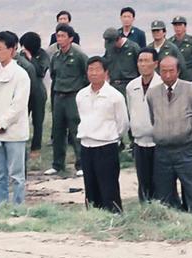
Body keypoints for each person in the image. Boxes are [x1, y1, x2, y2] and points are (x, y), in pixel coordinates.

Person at [147, 55, 192, 216]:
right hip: (162, 151)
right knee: (164, 192)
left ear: (178, 71)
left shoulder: (191, 90)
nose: (167, 75)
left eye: (171, 71)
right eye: (163, 71)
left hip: (185, 149)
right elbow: (154, 118)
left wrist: (190, 134)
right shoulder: (152, 93)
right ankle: (173, 222)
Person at [0, 31, 31, 206]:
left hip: (14, 131)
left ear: (12, 50)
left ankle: (18, 206)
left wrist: (2, 123)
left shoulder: (21, 75)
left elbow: (18, 105)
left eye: (1, 49)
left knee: (16, 174)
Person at [76, 57, 128, 213]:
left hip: (106, 146)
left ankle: (114, 216)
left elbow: (123, 123)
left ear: (106, 73)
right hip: (86, 145)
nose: (93, 73)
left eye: (97, 69)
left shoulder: (115, 96)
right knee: (90, 186)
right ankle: (93, 216)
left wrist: (112, 136)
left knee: (108, 187)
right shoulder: (81, 95)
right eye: (90, 69)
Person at [47, 24, 88, 176]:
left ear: (70, 38)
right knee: (57, 131)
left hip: (73, 96)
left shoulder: (78, 56)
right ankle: (57, 165)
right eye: (58, 36)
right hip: (59, 96)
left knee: (76, 130)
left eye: (63, 36)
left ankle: (81, 165)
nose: (60, 39)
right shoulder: (56, 57)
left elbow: (86, 74)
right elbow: (53, 75)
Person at [126, 48, 160, 202]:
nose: (143, 64)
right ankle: (144, 208)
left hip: (158, 141)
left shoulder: (161, 85)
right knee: (143, 179)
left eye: (147, 61)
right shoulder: (131, 86)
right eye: (140, 61)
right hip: (139, 141)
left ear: (155, 63)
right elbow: (130, 109)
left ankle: (161, 207)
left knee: (159, 179)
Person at [19, 31, 49, 154]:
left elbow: (41, 71)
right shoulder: (21, 55)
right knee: (21, 118)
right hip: (24, 91)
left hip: (38, 91)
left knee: (38, 120)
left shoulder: (42, 55)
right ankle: (21, 142)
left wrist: (30, 58)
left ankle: (36, 147)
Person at [102, 27, 141, 94]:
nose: (112, 47)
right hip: (113, 85)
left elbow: (140, 66)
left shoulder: (133, 48)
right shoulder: (109, 50)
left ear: (119, 39)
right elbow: (105, 64)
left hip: (129, 85)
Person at [170, 16, 192, 81]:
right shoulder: (170, 42)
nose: (177, 27)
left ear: (185, 26)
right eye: (175, 25)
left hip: (189, 74)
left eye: (180, 25)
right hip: (173, 75)